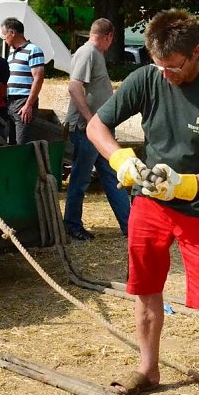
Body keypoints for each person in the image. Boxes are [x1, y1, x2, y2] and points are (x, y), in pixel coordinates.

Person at [86, 9, 199, 395]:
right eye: (160, 65)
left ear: (197, 52)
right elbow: (95, 125)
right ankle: (148, 367)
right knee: (144, 290)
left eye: (174, 66)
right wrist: (118, 157)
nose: (167, 74)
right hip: (148, 205)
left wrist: (188, 184)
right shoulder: (148, 78)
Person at [63, 18, 130, 240]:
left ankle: (130, 225)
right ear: (109, 36)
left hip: (96, 130)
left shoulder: (93, 54)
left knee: (112, 175)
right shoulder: (88, 52)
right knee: (81, 179)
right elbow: (74, 87)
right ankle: (72, 225)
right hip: (87, 129)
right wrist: (92, 121)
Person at [1, 17, 45, 144]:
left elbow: (38, 78)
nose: (3, 38)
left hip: (23, 100)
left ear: (12, 33)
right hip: (10, 100)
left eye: (4, 34)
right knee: (11, 141)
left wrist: (29, 104)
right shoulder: (11, 53)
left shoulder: (33, 50)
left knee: (22, 142)